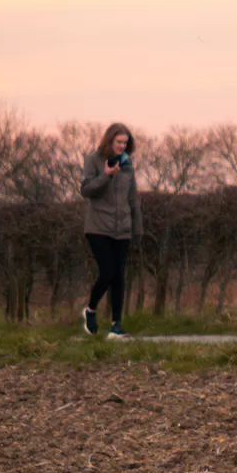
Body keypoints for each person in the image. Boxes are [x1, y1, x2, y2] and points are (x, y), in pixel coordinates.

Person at [81, 122, 142, 340]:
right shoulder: (93, 160)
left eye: (125, 143)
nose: (122, 146)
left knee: (119, 277)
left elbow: (133, 198)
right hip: (98, 226)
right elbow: (86, 190)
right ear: (109, 140)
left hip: (122, 228)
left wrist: (137, 229)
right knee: (107, 272)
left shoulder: (127, 165)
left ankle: (116, 326)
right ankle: (90, 309)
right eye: (118, 142)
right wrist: (105, 175)